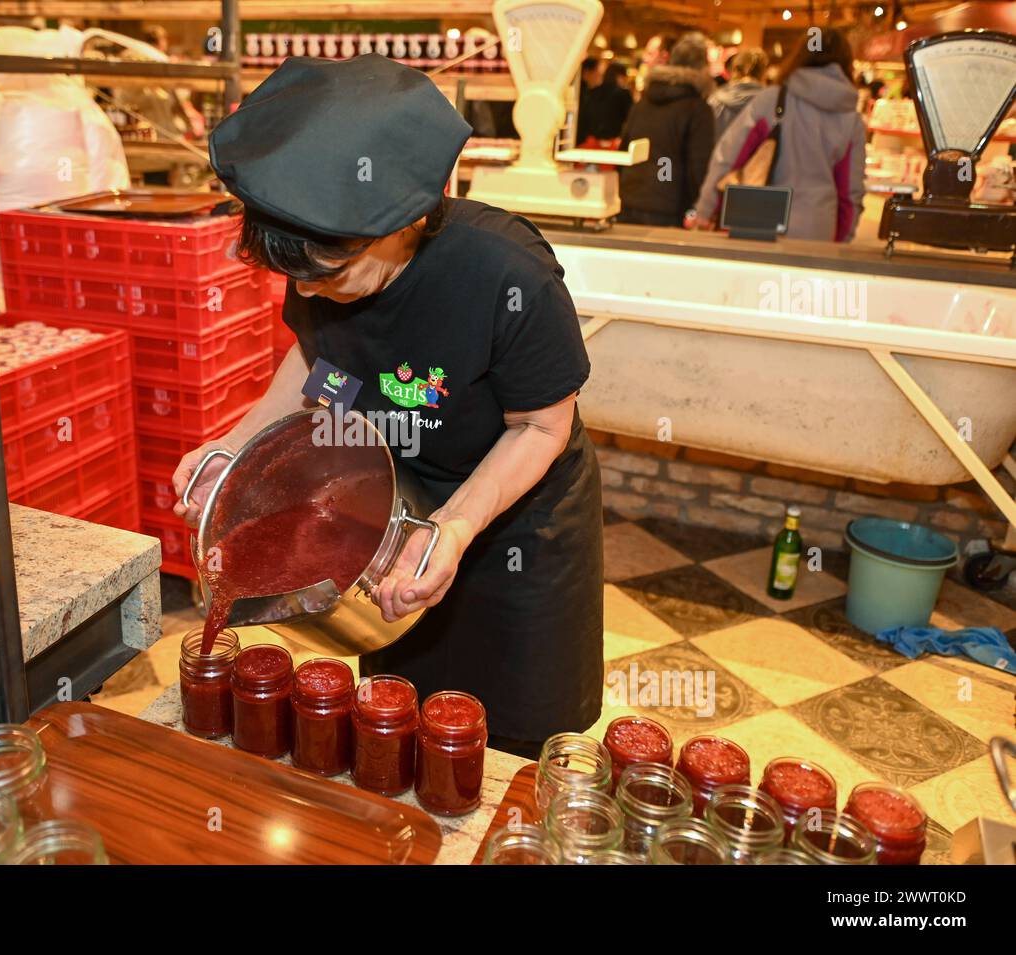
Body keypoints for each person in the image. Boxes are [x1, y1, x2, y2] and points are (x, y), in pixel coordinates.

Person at [175, 54, 605, 759]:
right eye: (295, 279)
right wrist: (235, 444)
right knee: (399, 708)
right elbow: (316, 361)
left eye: (329, 275)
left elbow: (541, 423)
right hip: (393, 498)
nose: (307, 294)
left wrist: (455, 529)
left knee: (511, 733)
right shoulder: (319, 255)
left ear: (404, 222)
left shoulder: (506, 273)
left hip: (512, 518)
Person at [691, 27, 866, 241]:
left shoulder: (772, 100)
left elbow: (728, 157)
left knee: (762, 277)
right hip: (818, 228)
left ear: (801, 55)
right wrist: (842, 240)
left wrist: (705, 211)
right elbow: (850, 192)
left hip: (762, 220)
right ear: (846, 63)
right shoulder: (852, 119)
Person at [617, 32, 716, 227]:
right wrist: (698, 207)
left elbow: (625, 149)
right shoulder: (697, 108)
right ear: (703, 68)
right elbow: (699, 166)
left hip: (628, 199)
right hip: (669, 209)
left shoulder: (644, 101)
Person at [707, 47, 768, 141]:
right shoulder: (770, 102)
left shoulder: (715, 99)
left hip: (720, 154)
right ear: (763, 72)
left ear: (734, 68)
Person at [576, 59, 633, 145]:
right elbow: (630, 119)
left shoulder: (592, 92)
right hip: (613, 143)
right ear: (620, 76)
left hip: (591, 142)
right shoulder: (623, 94)